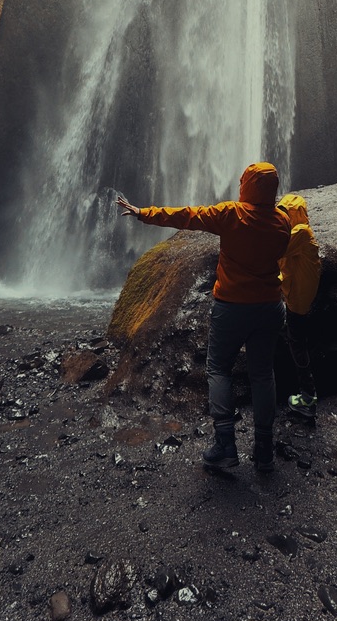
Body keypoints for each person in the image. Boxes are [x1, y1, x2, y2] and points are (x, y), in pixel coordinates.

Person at [117, 163, 291, 472]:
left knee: (219, 369)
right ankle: (264, 448)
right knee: (263, 374)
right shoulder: (282, 222)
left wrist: (144, 212)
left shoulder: (231, 214)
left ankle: (225, 444)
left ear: (247, 185)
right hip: (269, 306)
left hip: (233, 307)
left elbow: (187, 215)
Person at [277, 193, 321, 420]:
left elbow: (275, 250)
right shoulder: (300, 233)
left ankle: (308, 398)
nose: (281, 218)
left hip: (297, 303)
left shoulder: (300, 233)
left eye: (285, 213)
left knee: (297, 345)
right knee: (296, 340)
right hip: (295, 299)